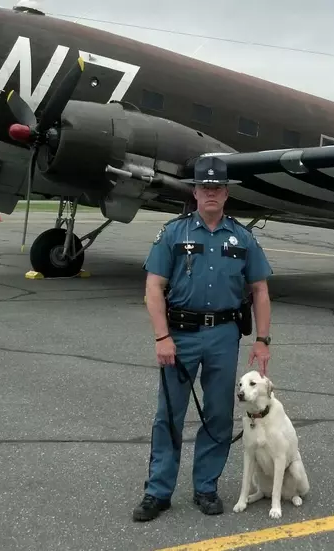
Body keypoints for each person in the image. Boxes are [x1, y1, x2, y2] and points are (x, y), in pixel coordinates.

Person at [133, 155, 274, 522]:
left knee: (218, 415)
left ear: (226, 194)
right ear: (195, 192)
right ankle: (158, 492)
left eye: (217, 188)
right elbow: (153, 287)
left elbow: (259, 289)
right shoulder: (174, 233)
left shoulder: (242, 238)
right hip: (179, 336)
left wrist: (263, 340)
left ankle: (206, 487)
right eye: (204, 187)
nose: (211, 193)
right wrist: (162, 336)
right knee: (169, 415)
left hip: (224, 336)